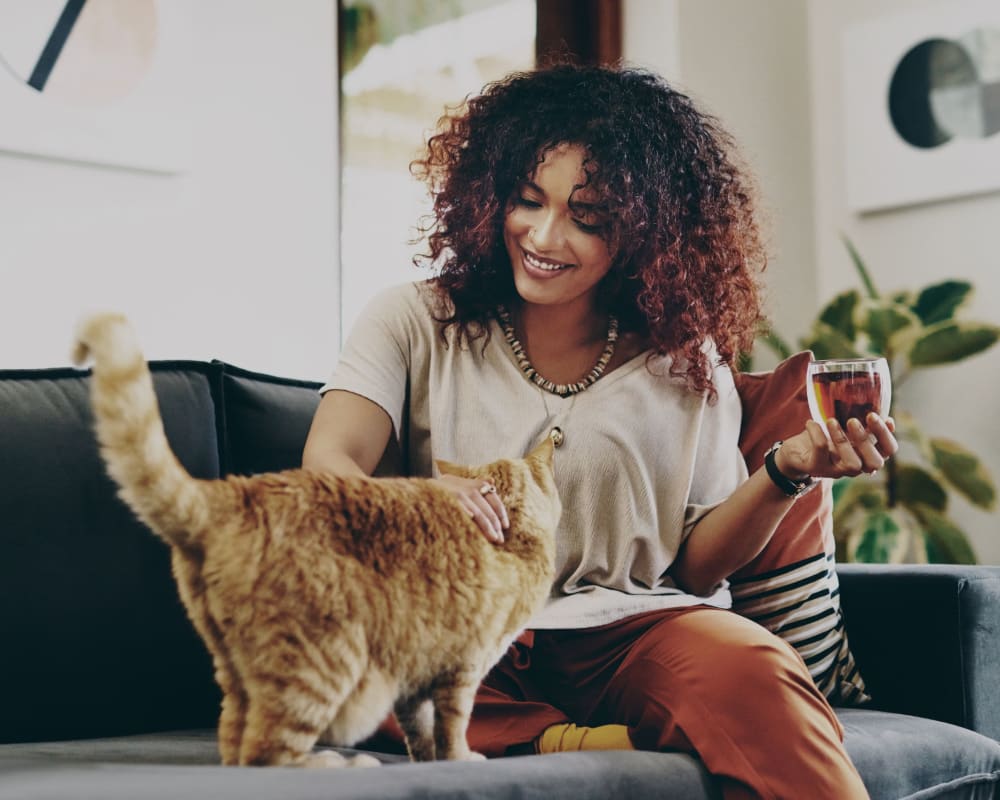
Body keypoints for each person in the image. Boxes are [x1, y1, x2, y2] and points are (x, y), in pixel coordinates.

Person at [303, 62, 896, 799]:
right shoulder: (414, 319)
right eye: (527, 201)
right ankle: (559, 739)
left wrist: (785, 470)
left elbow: (698, 568)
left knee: (755, 667)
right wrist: (418, 505)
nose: (544, 235)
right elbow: (330, 463)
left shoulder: (686, 360)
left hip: (634, 631)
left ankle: (552, 731)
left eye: (588, 219)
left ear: (648, 233)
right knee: (358, 662)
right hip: (467, 625)